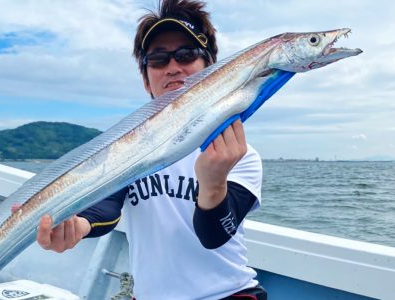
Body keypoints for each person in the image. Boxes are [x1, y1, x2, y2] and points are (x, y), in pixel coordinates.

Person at [34, 1, 266, 299]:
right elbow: (105, 207)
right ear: (146, 80)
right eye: (158, 59)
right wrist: (77, 225)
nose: (173, 67)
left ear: (212, 69)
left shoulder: (239, 154)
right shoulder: (129, 151)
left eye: (187, 54)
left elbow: (216, 234)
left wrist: (214, 183)